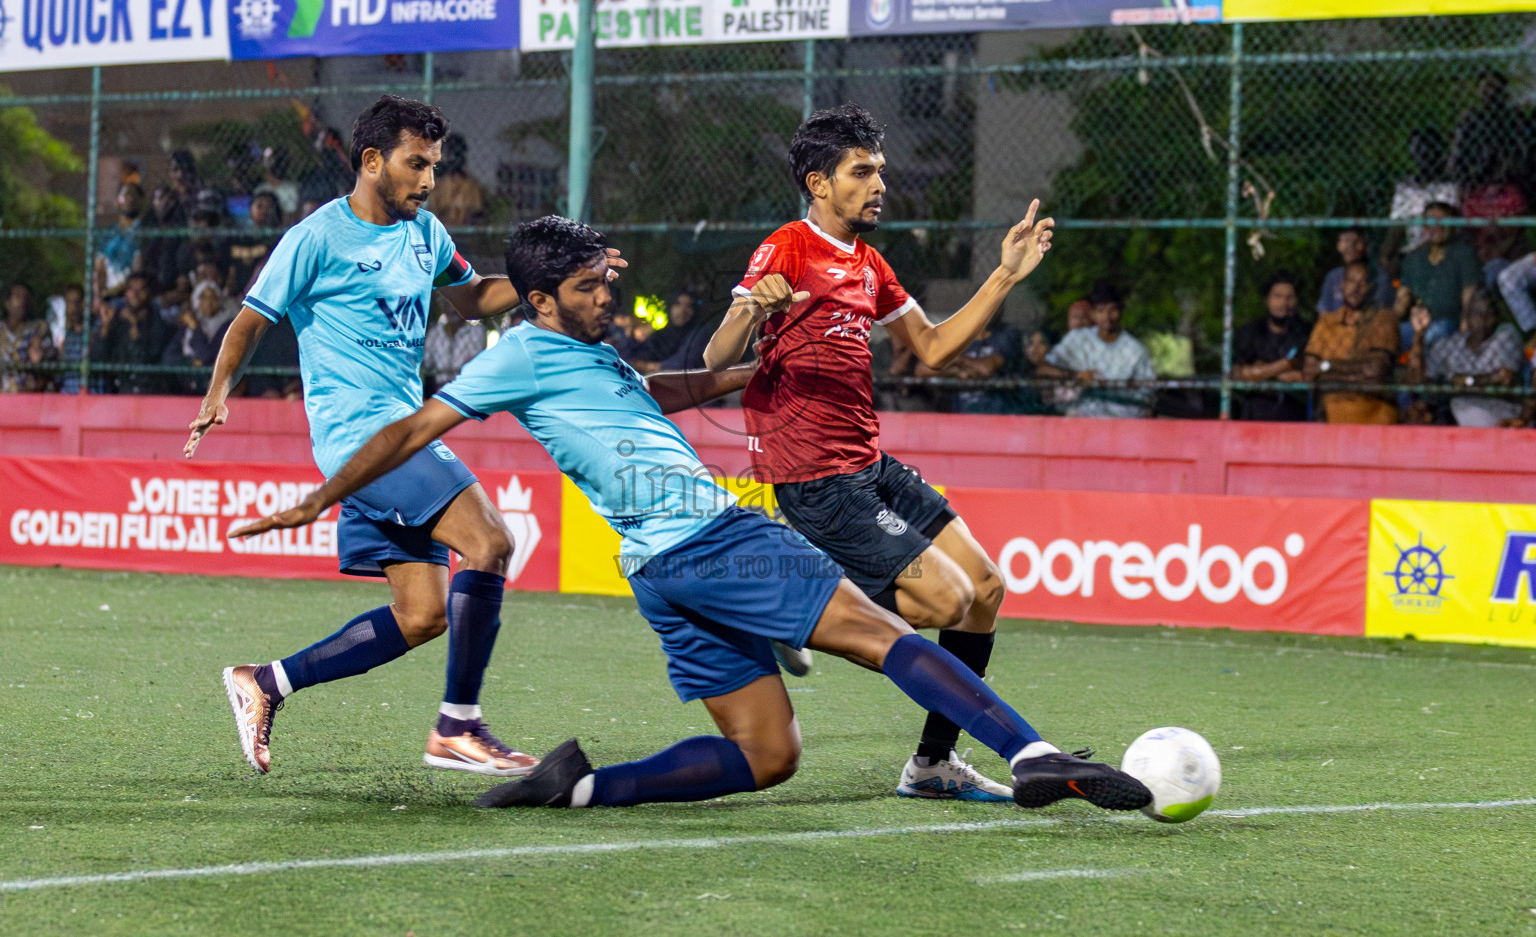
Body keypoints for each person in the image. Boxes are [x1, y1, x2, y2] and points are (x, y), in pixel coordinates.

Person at [231, 215, 1150, 816]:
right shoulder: (516, 357)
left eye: (605, 281)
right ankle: (1030, 754)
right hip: (712, 537)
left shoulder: (590, 355)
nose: (607, 299)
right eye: (590, 288)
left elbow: (667, 387)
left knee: (766, 755)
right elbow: (417, 425)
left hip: (661, 573)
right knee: (881, 634)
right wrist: (322, 496)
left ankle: (578, 789)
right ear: (543, 300)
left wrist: (761, 364)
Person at [189, 95, 624, 779]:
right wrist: (217, 395)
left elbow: (472, 296)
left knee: (421, 613)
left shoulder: (424, 235)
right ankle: (459, 728)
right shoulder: (315, 238)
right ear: (371, 161)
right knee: (491, 542)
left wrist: (545, 279)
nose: (428, 180)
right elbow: (249, 321)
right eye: (415, 164)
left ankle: (264, 682)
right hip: (361, 438)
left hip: (400, 432)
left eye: (434, 165)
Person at [703, 102, 1056, 802]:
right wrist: (752, 309)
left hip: (871, 466)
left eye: (880, 171)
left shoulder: (869, 263)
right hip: (815, 479)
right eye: (861, 172)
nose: (878, 184)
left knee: (984, 591)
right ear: (819, 182)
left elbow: (931, 349)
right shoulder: (785, 248)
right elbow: (716, 360)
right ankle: (781, 605)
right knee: (937, 603)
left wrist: (1005, 275)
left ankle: (931, 766)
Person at [1035, 279, 1157, 418]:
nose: (1107, 316)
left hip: (1122, 424)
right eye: (1100, 310)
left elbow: (1148, 396)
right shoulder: (1077, 340)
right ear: (1092, 314)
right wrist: (1076, 376)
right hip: (1080, 421)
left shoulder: (1135, 351)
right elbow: (1043, 369)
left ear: (1121, 311)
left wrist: (1114, 387)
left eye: (1112, 310)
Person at [1405, 288, 1525, 428]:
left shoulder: (1505, 335)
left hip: (1499, 409)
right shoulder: (1451, 344)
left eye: (1489, 315)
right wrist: (1419, 336)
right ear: (1467, 316)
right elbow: (1416, 380)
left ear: (1497, 316)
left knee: (1458, 403)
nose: (1484, 321)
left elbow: (1504, 378)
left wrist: (1467, 381)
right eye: (1478, 315)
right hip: (1456, 412)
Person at [1302, 261, 1400, 425]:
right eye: (1351, 281)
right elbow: (1309, 373)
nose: (1355, 289)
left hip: (1375, 420)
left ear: (1371, 288)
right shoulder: (1326, 322)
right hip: (1332, 421)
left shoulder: (1383, 319)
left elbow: (1375, 374)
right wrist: (1358, 373)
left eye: (1362, 283)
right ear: (1342, 285)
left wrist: (1326, 367)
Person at [1398, 201, 1481, 348]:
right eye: (1430, 221)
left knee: (1433, 335)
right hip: (1418, 320)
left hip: (1448, 322)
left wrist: (1465, 323)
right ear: (1424, 226)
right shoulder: (1414, 257)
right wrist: (1389, 321)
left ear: (1453, 226)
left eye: (1443, 221)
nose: (1436, 226)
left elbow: (1470, 296)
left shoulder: (1464, 255)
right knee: (1389, 336)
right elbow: (1403, 297)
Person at [1233, 272, 1312, 422]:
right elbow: (1240, 373)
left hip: (1294, 410)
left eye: (1289, 297)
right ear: (1267, 300)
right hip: (1255, 410)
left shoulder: (1305, 332)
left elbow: (1308, 375)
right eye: (1278, 296)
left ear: (1296, 301)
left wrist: (1263, 372)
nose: (1284, 303)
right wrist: (1286, 365)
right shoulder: (1251, 331)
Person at [1380, 127, 1459, 274]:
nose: (1423, 154)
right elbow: (1395, 230)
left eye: (1429, 148)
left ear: (1440, 151)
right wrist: (1386, 257)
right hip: (1410, 253)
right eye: (1418, 148)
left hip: (1440, 251)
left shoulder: (1449, 187)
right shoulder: (1406, 188)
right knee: (1386, 275)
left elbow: (1449, 231)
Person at [92, 272, 173, 394]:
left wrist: (135, 329)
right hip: (119, 391)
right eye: (131, 289)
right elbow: (98, 359)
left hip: (150, 393)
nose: (135, 294)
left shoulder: (159, 324)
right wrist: (105, 328)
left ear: (149, 294)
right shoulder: (118, 320)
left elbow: (149, 360)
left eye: (141, 290)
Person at [1316, 230, 1391, 315]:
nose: (1351, 246)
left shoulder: (1380, 277)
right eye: (1346, 240)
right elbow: (1324, 314)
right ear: (1338, 245)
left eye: (1357, 241)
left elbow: (1383, 315)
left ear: (1366, 245)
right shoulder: (1332, 277)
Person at [423, 300, 488, 393]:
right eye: (449, 305)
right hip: (437, 390)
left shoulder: (476, 332)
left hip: (465, 389)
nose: (453, 310)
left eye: (456, 306)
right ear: (443, 307)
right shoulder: (435, 332)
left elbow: (476, 364)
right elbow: (427, 364)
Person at [97, 183, 146, 301]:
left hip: (129, 296)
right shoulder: (109, 233)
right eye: (125, 194)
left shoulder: (143, 232)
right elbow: (99, 267)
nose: (130, 199)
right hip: (107, 295)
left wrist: (112, 292)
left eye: (134, 195)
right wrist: (99, 295)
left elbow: (137, 270)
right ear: (117, 200)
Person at [0, 283, 52, 393]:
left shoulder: (39, 329)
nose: (23, 302)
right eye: (18, 296)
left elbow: (49, 367)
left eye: (26, 298)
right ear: (8, 303)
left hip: (30, 396)